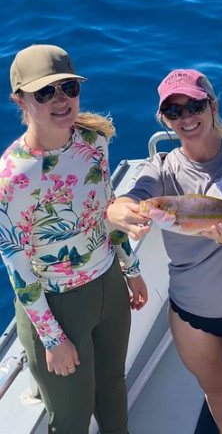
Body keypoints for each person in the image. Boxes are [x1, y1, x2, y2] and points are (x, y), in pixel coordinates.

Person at [106, 68, 222, 434]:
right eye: (174, 112)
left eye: (194, 105)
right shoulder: (161, 166)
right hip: (189, 316)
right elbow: (134, 196)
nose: (186, 117)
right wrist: (120, 208)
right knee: (219, 404)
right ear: (164, 120)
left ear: (212, 105)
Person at [0, 44, 148, 433]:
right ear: (20, 99)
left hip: (109, 286)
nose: (61, 100)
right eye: (45, 92)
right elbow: (16, 267)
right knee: (71, 418)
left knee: (113, 389)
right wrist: (52, 339)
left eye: (68, 87)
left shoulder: (93, 141)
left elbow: (108, 210)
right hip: (59, 308)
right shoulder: (12, 177)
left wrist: (131, 270)